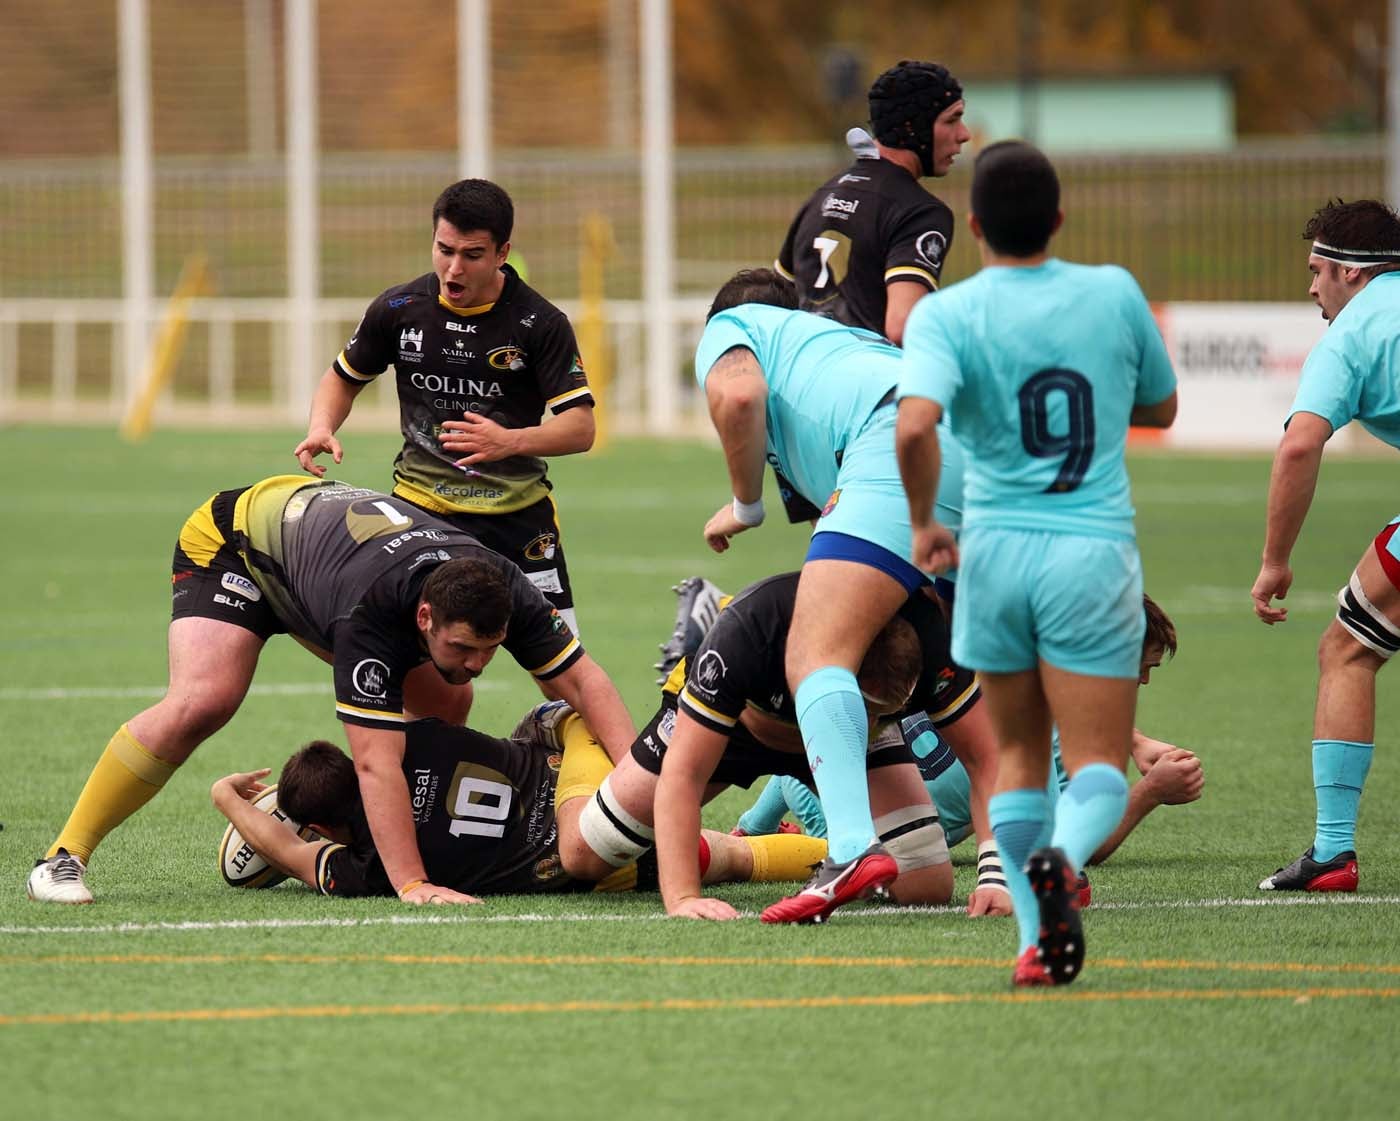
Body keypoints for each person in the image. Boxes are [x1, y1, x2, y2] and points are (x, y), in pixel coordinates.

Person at [26, 475, 635, 906]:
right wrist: (412, 883)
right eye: (462, 649)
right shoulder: (369, 621)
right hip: (238, 544)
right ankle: (62, 856)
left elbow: (584, 680)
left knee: (448, 702)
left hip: (327, 557)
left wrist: (643, 784)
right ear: (426, 619)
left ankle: (419, 817)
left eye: (488, 649)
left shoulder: (498, 584)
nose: (478, 662)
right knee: (205, 699)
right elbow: (374, 762)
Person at [897, 140, 1178, 987]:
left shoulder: (947, 314)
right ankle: (1064, 856)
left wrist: (922, 527)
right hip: (1090, 550)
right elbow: (1160, 404)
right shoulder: (1114, 292)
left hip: (995, 555)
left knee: (1015, 759)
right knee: (1092, 765)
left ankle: (1035, 939)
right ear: (1059, 219)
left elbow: (914, 427)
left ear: (974, 224)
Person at [694, 271, 1000, 923]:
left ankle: (853, 848)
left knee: (813, 654)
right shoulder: (832, 351)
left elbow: (738, 395)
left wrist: (747, 506)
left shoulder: (732, 329)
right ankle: (1026, 860)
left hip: (895, 443)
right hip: (965, 442)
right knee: (968, 668)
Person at [294, 179, 594, 635]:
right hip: (421, 511)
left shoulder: (540, 323)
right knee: (414, 652)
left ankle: (557, 709)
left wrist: (508, 441)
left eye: (472, 255)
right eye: (444, 249)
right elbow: (342, 377)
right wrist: (321, 425)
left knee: (563, 664)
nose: (453, 269)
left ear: (502, 253)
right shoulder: (399, 308)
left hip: (519, 518)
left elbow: (580, 427)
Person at [735, 594, 1202, 873]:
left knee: (844, 753)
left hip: (815, 762)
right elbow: (1076, 846)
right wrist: (1149, 793)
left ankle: (749, 832)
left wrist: (1133, 741)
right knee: (860, 859)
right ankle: (744, 849)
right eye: (1142, 668)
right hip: (875, 822)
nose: (1142, 682)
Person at [613, 573, 958, 920]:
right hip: (740, 717)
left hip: (832, 692)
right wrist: (682, 896)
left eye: (883, 714)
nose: (869, 725)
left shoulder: (931, 640)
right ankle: (714, 616)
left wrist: (995, 879)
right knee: (592, 851)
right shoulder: (750, 628)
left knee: (926, 886)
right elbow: (684, 774)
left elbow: (987, 758)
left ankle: (739, 853)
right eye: (866, 709)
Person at [210, 711, 788, 901]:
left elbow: (286, 853)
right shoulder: (407, 739)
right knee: (679, 795)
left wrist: (223, 798)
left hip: (591, 848)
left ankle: (839, 848)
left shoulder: (376, 868)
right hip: (568, 737)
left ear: (320, 827)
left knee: (724, 856)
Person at [1252, 199, 1400, 893]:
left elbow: (1300, 444)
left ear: (1350, 273)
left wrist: (1275, 560)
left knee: (1346, 648)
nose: (1311, 287)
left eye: (1317, 270)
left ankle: (1335, 852)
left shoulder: (1352, 334)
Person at [776, 60, 971, 345]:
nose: (964, 134)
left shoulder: (821, 196)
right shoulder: (921, 212)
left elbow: (772, 300)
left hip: (802, 377)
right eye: (952, 120)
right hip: (867, 383)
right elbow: (903, 326)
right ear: (912, 127)